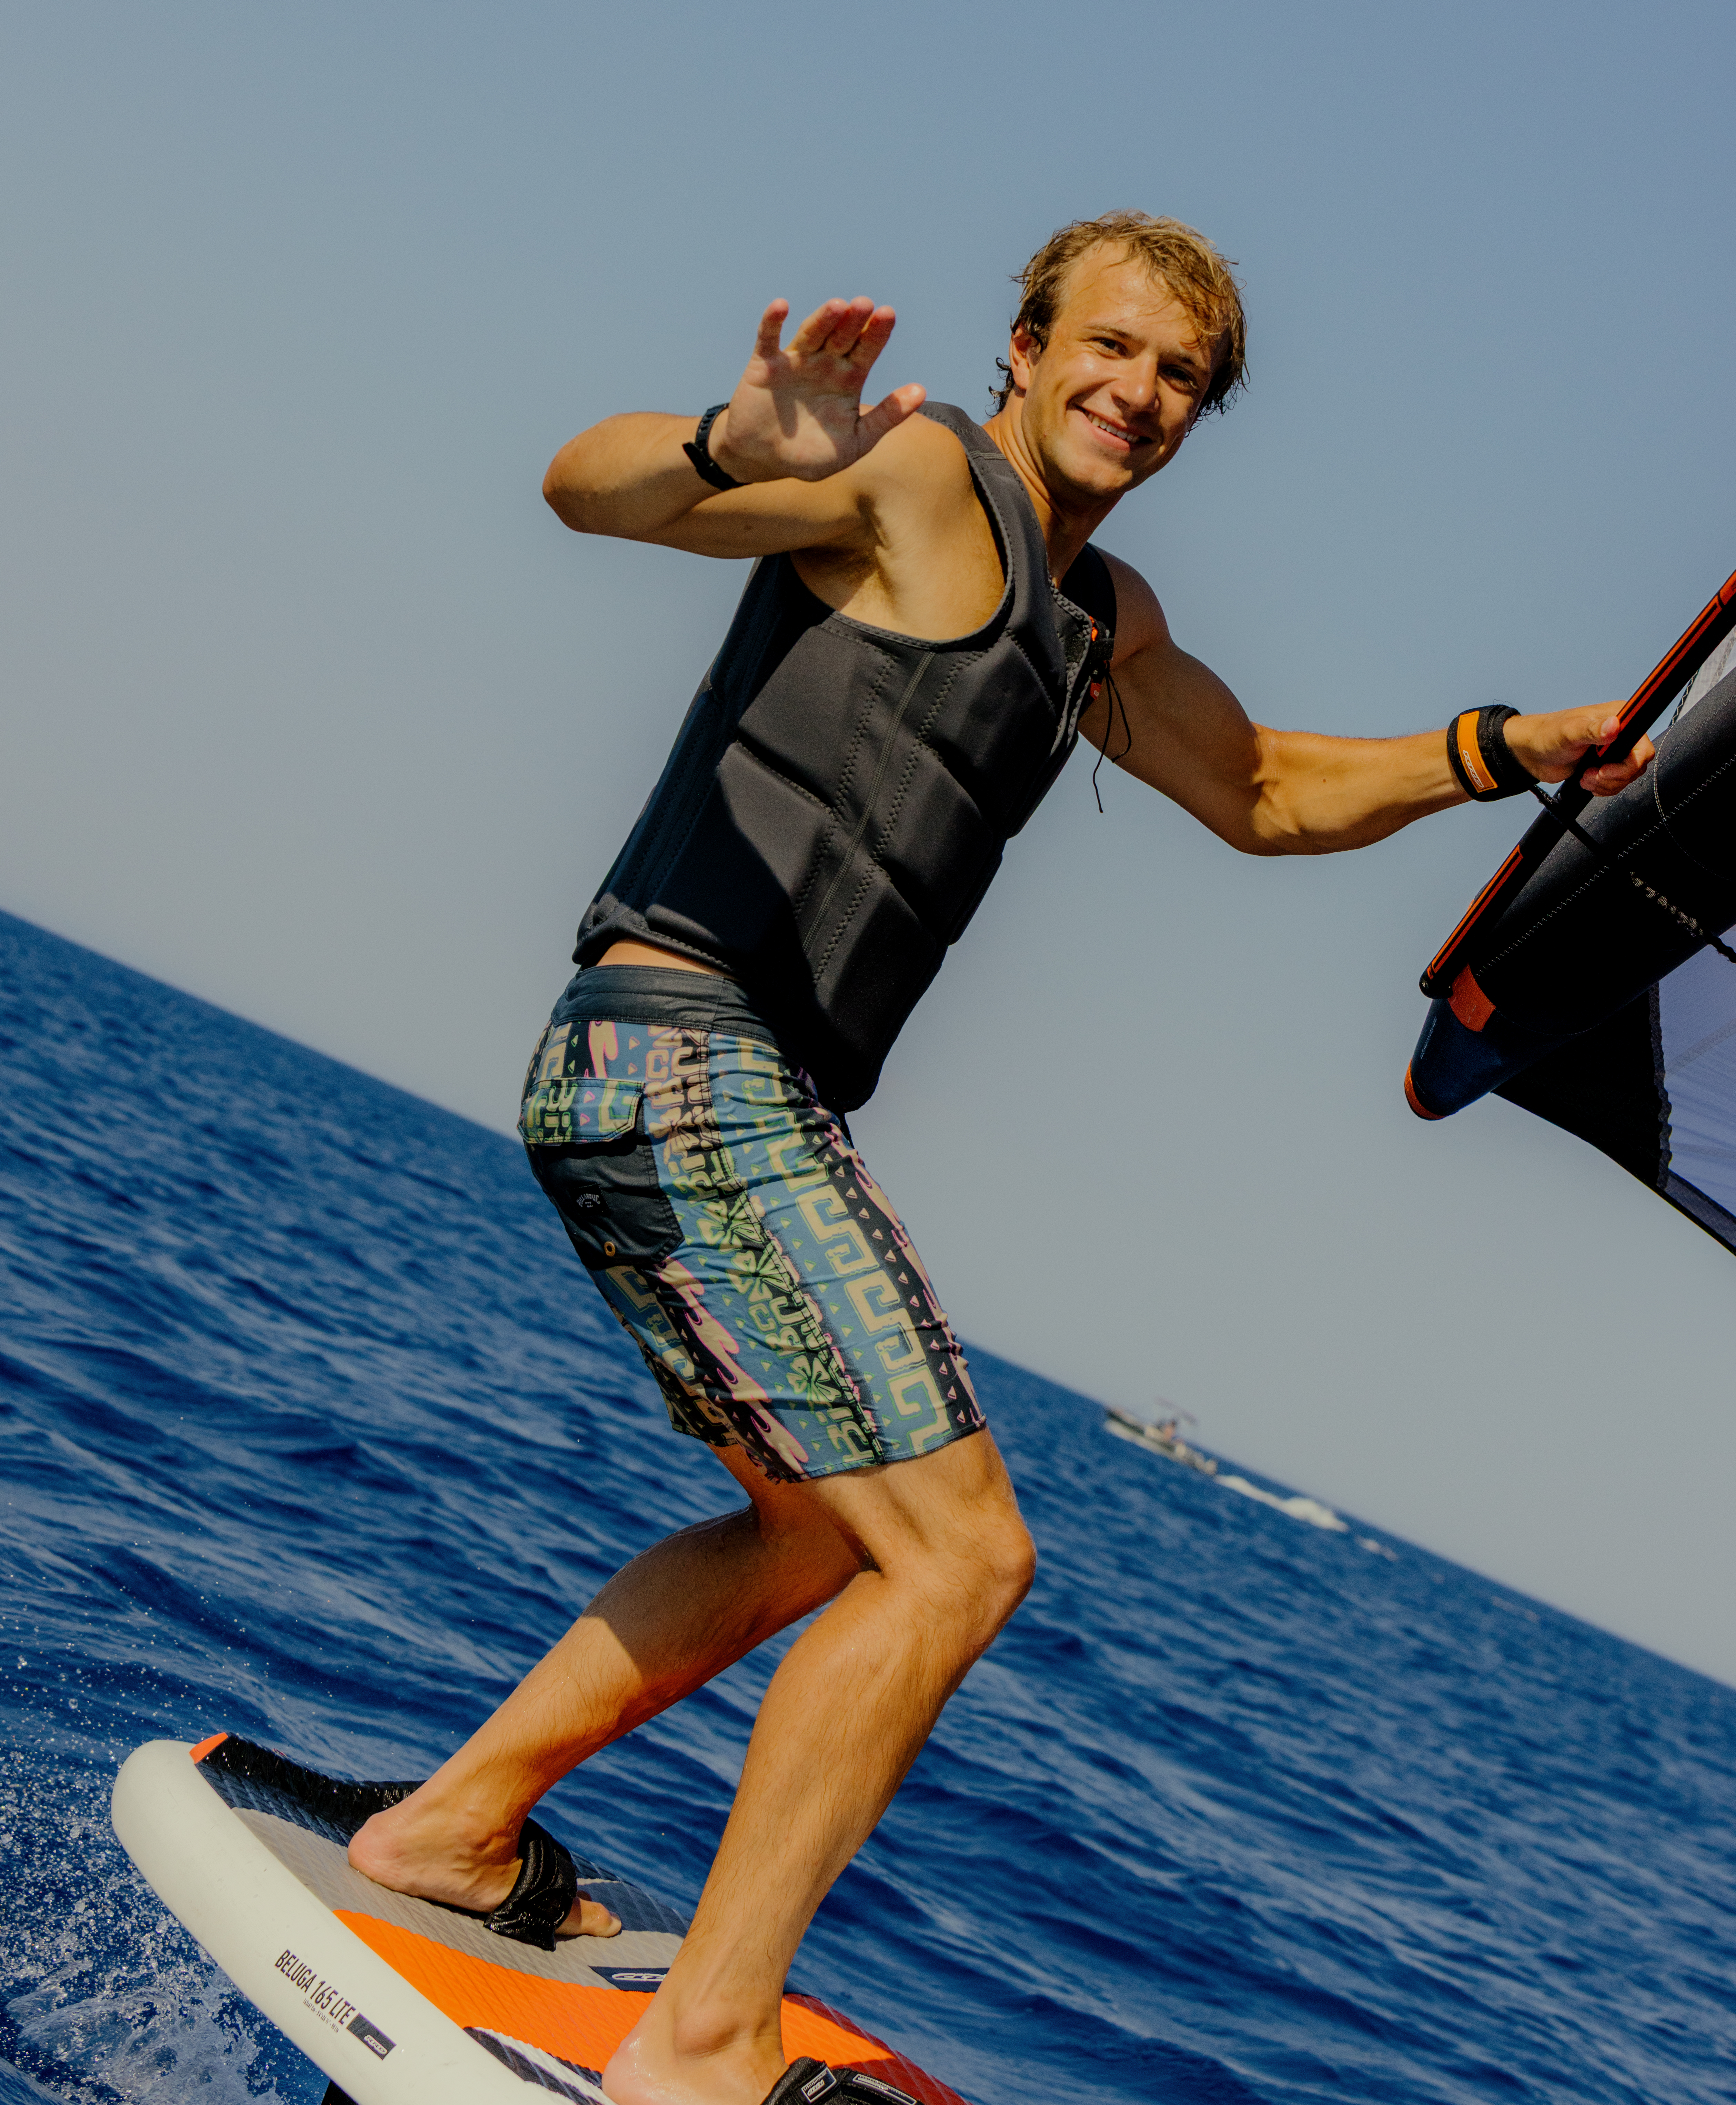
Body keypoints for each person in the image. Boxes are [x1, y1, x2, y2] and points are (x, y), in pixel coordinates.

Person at [348, 212, 1652, 2105]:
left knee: (827, 1533)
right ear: (1028, 348)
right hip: (683, 1053)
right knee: (959, 1559)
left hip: (724, 1088)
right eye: (1109, 347)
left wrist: (1506, 747)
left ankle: (456, 1828)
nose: (1141, 391)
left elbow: (1264, 790)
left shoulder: (1102, 619)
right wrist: (731, 445)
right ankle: (700, 2044)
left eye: (1182, 375)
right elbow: (586, 489)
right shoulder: (910, 475)